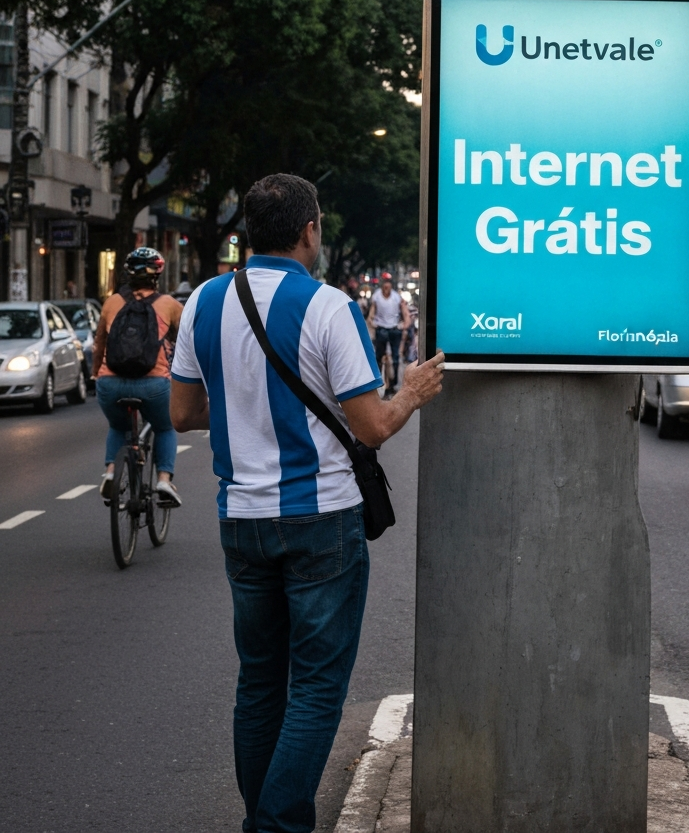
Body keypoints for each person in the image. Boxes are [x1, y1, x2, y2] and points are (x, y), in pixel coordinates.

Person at [169, 174, 444, 833]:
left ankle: (260, 820)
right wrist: (410, 392)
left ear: (246, 233)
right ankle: (276, 826)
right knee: (317, 686)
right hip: (321, 520)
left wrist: (241, 402)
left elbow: (181, 414)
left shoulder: (203, 301)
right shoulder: (328, 307)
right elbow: (372, 426)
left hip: (242, 520)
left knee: (259, 683)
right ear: (309, 231)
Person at [94, 247, 183, 508]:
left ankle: (111, 471)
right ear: (157, 275)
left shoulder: (111, 303)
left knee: (118, 427)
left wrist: (94, 373)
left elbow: (99, 343)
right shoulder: (170, 305)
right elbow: (188, 343)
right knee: (165, 427)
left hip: (110, 383)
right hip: (153, 384)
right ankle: (164, 479)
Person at [367, 273, 410, 397]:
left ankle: (393, 384)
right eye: (384, 284)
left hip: (394, 329)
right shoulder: (376, 297)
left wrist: (405, 324)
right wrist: (371, 322)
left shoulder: (397, 298)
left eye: (388, 284)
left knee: (396, 357)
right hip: (381, 329)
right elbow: (372, 313)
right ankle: (378, 383)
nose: (386, 287)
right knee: (378, 357)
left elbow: (405, 313)